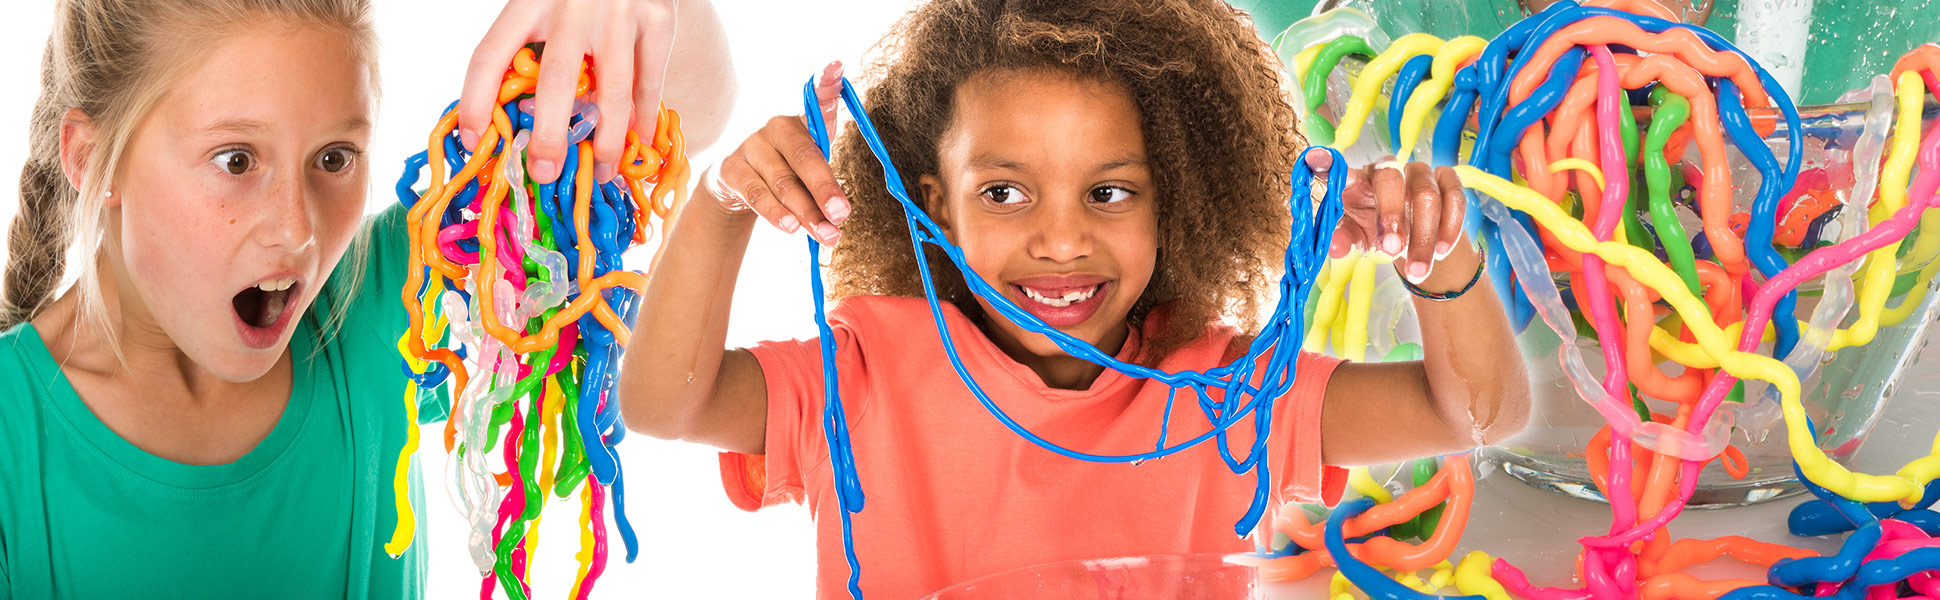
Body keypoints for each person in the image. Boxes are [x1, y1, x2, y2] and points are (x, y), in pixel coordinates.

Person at [621, 0, 1530, 596]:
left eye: (1110, 193)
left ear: (1174, 203)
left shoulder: (1231, 390)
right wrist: (726, 201)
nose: (1062, 241)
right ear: (931, 205)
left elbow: (1476, 412)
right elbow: (665, 402)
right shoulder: (867, 374)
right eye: (1005, 193)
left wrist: (1434, 253)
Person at [0, 0, 730, 596]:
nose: (298, 228)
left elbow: (693, 109)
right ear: (93, 160)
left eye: (334, 158)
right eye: (236, 160)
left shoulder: (388, 300)